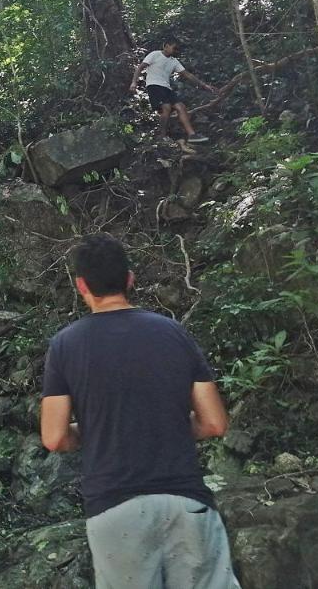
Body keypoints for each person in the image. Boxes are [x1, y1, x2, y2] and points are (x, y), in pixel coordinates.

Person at [41, 234, 238, 589]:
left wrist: (97, 429)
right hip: (186, 501)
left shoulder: (65, 345)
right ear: (130, 279)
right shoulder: (173, 333)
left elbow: (54, 437)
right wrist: (168, 423)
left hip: (116, 511)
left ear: (81, 284)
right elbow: (214, 422)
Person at [130, 36, 216, 144]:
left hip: (166, 88)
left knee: (181, 107)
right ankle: (161, 136)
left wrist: (204, 85)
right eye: (174, 48)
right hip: (154, 86)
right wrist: (134, 82)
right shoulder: (155, 54)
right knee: (165, 107)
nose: (176, 51)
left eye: (177, 49)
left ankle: (192, 135)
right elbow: (140, 67)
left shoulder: (174, 61)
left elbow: (187, 75)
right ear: (166, 46)